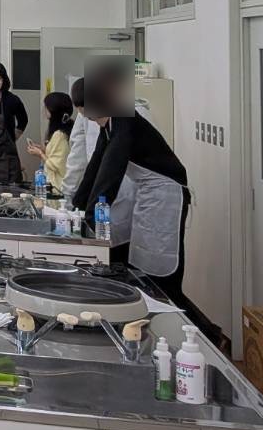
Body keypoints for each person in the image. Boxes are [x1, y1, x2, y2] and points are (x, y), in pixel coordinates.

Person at [71, 71, 191, 304]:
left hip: (165, 193)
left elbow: (111, 171)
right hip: (149, 192)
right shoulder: (110, 125)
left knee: (157, 263)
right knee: (141, 257)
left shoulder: (124, 121)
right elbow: (95, 166)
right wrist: (77, 205)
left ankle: (180, 313)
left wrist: (91, 215)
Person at [26, 91, 75, 194]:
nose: (44, 110)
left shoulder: (60, 135)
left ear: (54, 110)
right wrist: (41, 148)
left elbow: (56, 164)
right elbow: (55, 152)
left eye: (46, 107)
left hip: (57, 187)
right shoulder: (63, 129)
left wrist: (40, 154)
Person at [64, 77, 100, 200]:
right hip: (100, 188)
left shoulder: (134, 114)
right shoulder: (83, 114)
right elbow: (77, 155)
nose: (92, 120)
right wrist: (67, 194)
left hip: (135, 190)